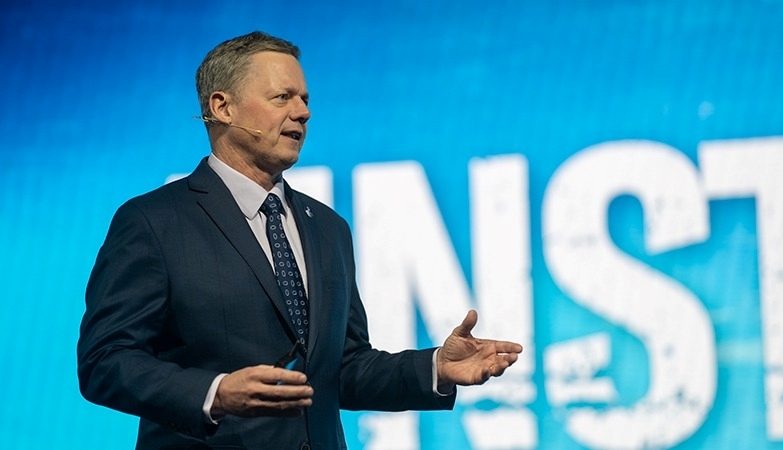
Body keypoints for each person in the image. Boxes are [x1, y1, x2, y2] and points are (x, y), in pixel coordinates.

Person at [77, 31, 523, 449]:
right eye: (282, 97)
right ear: (222, 107)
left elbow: (342, 369)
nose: (303, 112)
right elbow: (105, 361)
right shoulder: (153, 221)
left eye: (305, 99)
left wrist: (435, 368)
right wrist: (215, 392)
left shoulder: (327, 227)